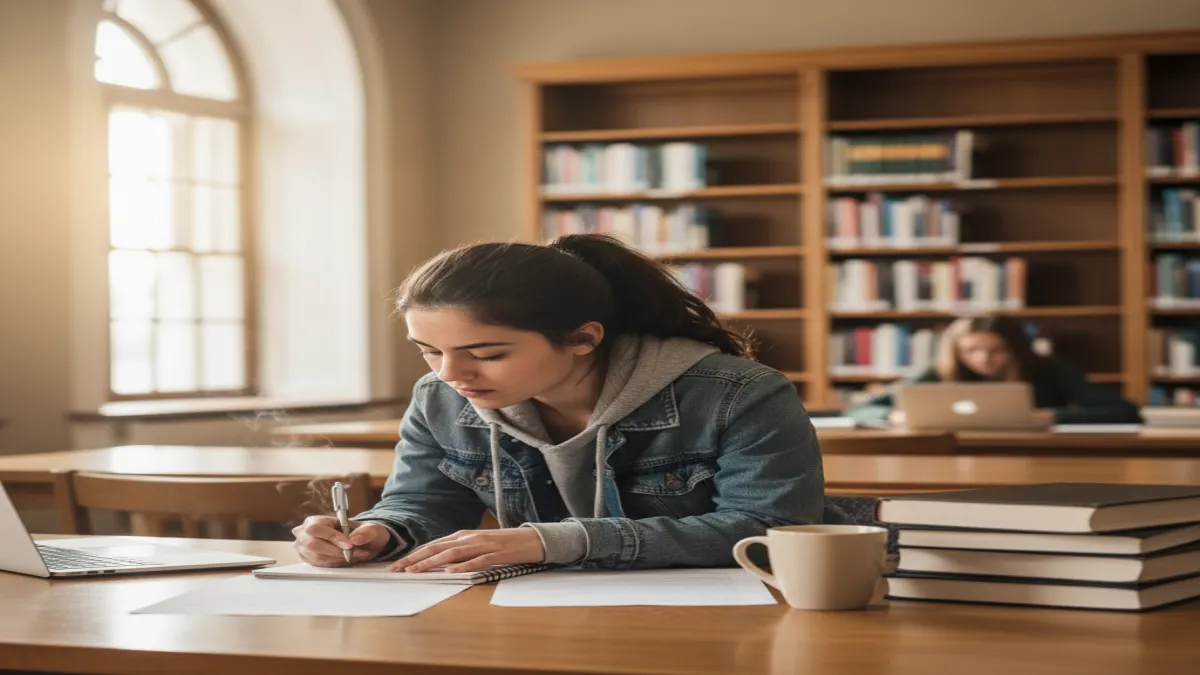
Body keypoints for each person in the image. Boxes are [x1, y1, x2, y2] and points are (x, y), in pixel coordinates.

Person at [292, 234, 825, 572]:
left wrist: (560, 542)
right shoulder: (439, 399)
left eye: (488, 353)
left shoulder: (738, 393)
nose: (451, 374)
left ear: (583, 338)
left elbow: (770, 530)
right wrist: (378, 532)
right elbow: (425, 502)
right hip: (533, 613)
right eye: (430, 351)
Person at [844, 315, 1142, 427]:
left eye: (996, 350)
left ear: (1016, 350)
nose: (983, 359)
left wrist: (1051, 416)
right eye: (971, 350)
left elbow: (1124, 411)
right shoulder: (938, 372)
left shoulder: (1047, 370)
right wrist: (896, 416)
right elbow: (860, 410)